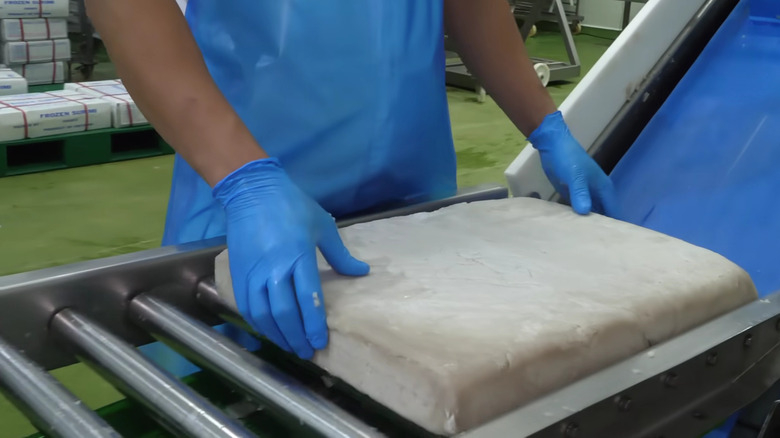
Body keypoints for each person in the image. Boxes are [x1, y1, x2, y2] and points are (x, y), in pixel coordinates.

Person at [85, 0, 617, 363]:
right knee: (236, 378)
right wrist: (244, 179)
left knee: (426, 376)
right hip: (256, 183)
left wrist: (546, 127)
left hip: (415, 192)